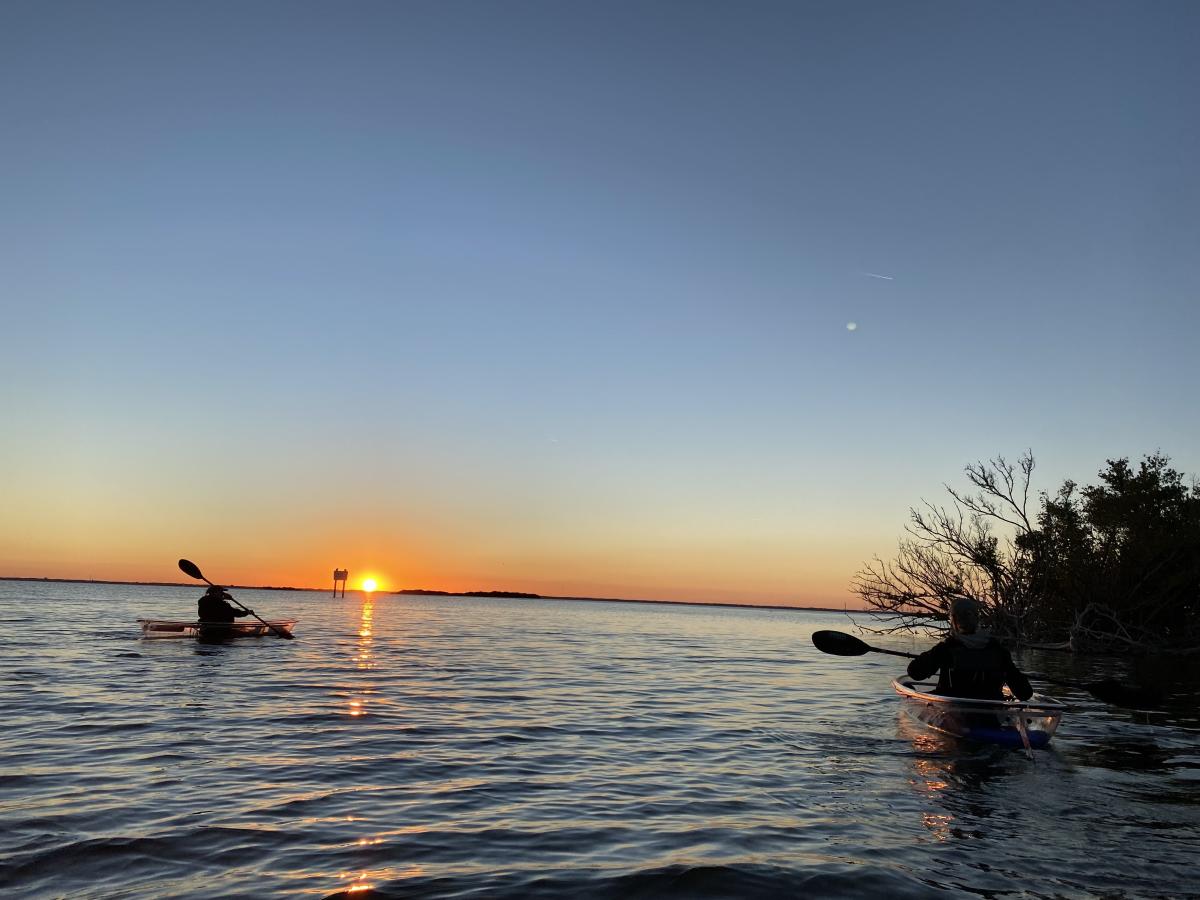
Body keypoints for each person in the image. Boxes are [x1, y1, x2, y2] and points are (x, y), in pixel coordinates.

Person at [907, 597, 1033, 701]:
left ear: (954, 621)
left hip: (952, 714)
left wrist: (932, 655)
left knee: (908, 686)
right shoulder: (998, 650)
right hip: (991, 715)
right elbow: (1025, 693)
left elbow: (914, 673)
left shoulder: (946, 649)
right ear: (977, 619)